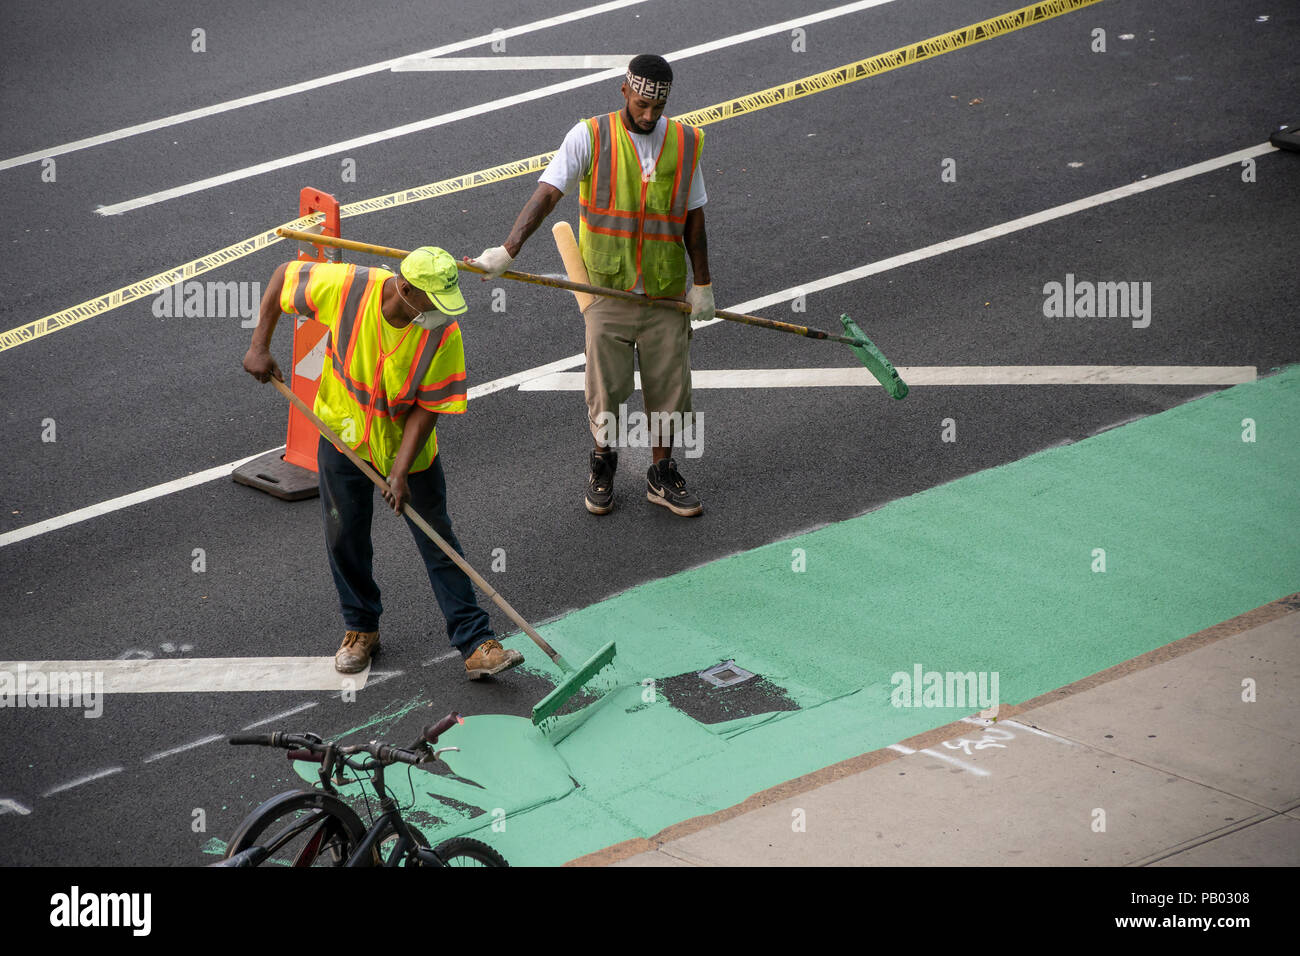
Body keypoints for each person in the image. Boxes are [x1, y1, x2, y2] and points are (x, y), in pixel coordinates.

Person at [242, 247, 524, 680]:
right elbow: (283, 276)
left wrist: (399, 471)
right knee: (345, 536)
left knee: (438, 540)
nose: (442, 313)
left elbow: (428, 407)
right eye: (434, 301)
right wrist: (259, 345)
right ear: (406, 290)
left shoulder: (442, 333)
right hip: (342, 435)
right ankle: (361, 629)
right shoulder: (350, 289)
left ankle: (475, 642)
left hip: (406, 449)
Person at [470, 53, 714, 517]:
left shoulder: (684, 142)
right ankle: (604, 461)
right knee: (607, 389)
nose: (647, 116)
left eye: (656, 109)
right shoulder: (590, 136)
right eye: (641, 104)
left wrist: (702, 283)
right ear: (624, 91)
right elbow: (547, 194)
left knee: (669, 389)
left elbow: (694, 218)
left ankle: (660, 474)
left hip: (664, 291)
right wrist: (509, 250)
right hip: (607, 289)